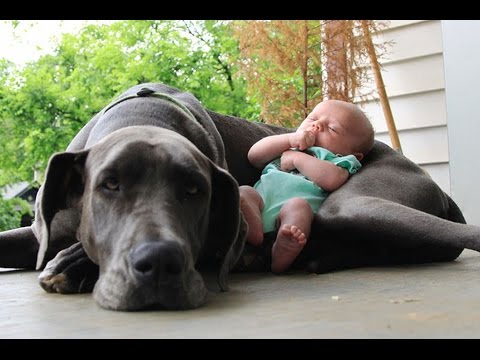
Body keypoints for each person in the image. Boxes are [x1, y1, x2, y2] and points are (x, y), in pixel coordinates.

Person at [239, 99, 375, 274]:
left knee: (298, 206)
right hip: (260, 206)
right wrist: (290, 139)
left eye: (332, 128)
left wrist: (297, 159)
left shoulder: (337, 160)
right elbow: (254, 156)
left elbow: (333, 179)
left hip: (289, 225)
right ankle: (253, 230)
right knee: (245, 192)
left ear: (353, 154)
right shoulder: (289, 144)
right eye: (313, 118)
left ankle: (283, 252)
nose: (317, 125)